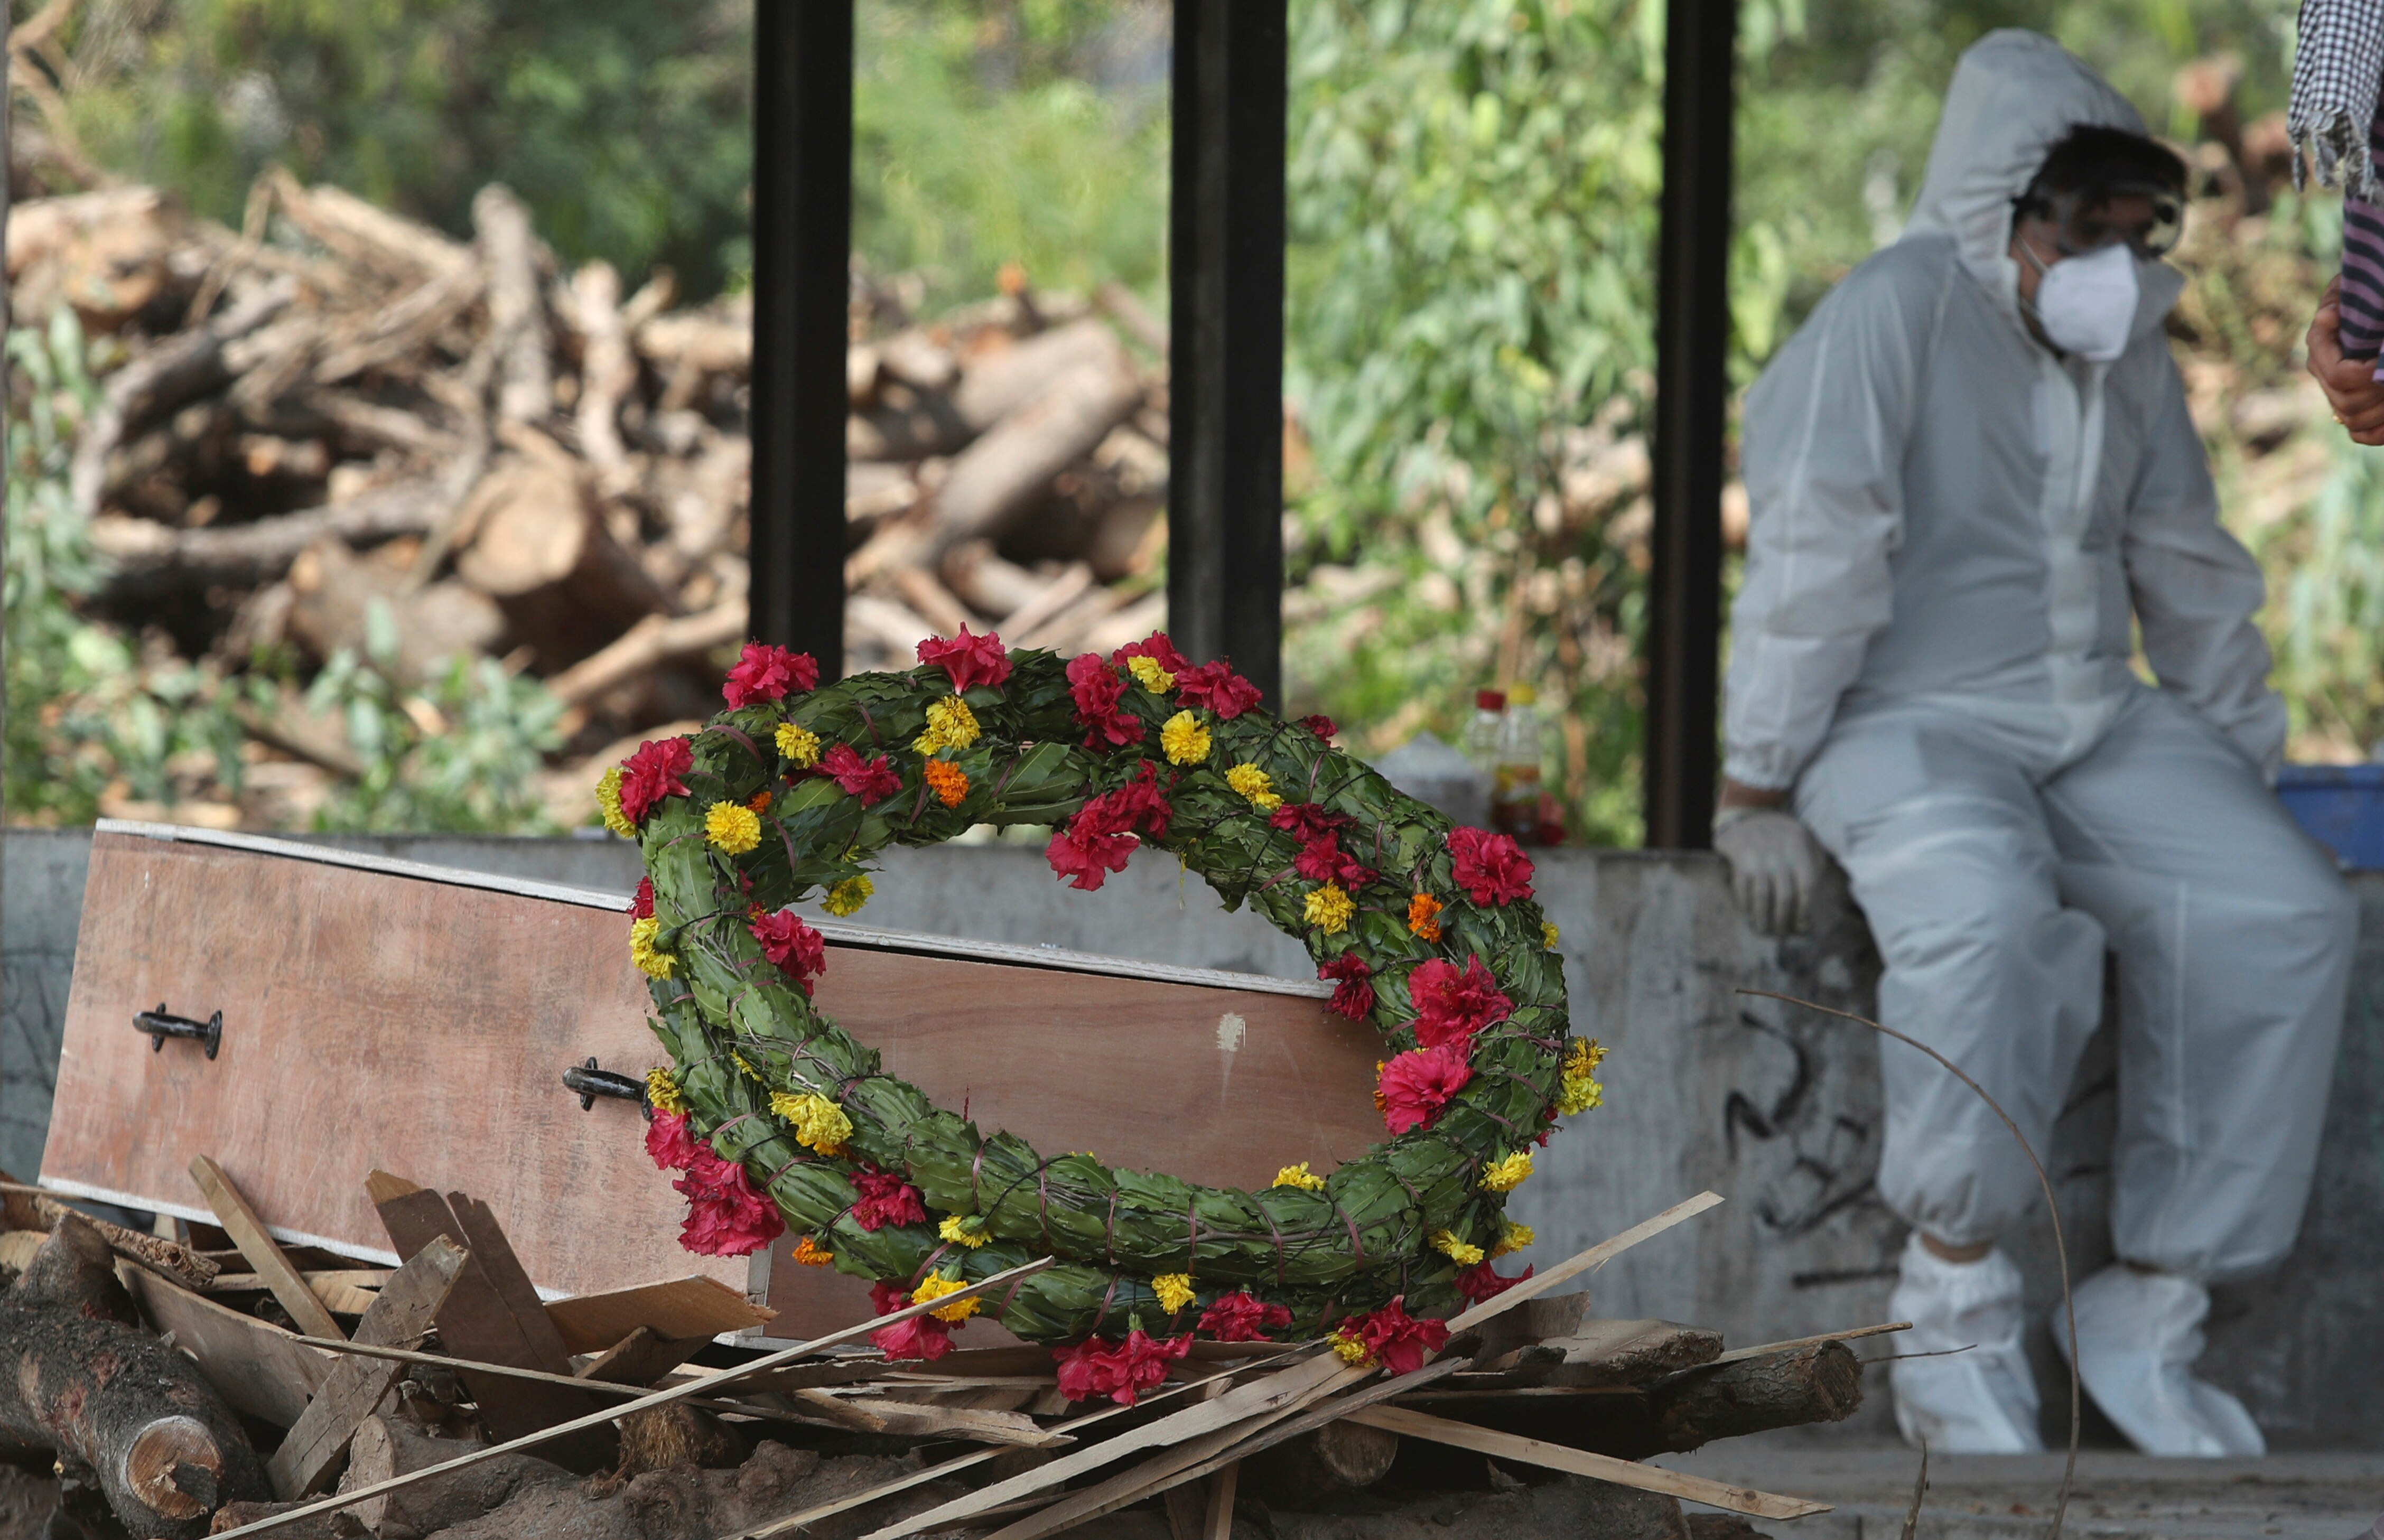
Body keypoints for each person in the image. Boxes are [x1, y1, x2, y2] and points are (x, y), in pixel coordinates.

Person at [1713, 30, 2357, 1458]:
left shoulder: (2117, 342)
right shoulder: (1889, 317)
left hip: (2090, 715)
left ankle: (2155, 1303)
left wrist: (2238, 772)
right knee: (1989, 921)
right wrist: (1754, 781)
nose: (2112, 260)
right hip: (1904, 722)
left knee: (2284, 911)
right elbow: (1814, 561)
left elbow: (2186, 560)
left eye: (2136, 232)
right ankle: (1949, 1316)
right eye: (2083, 227)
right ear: (1995, 205)